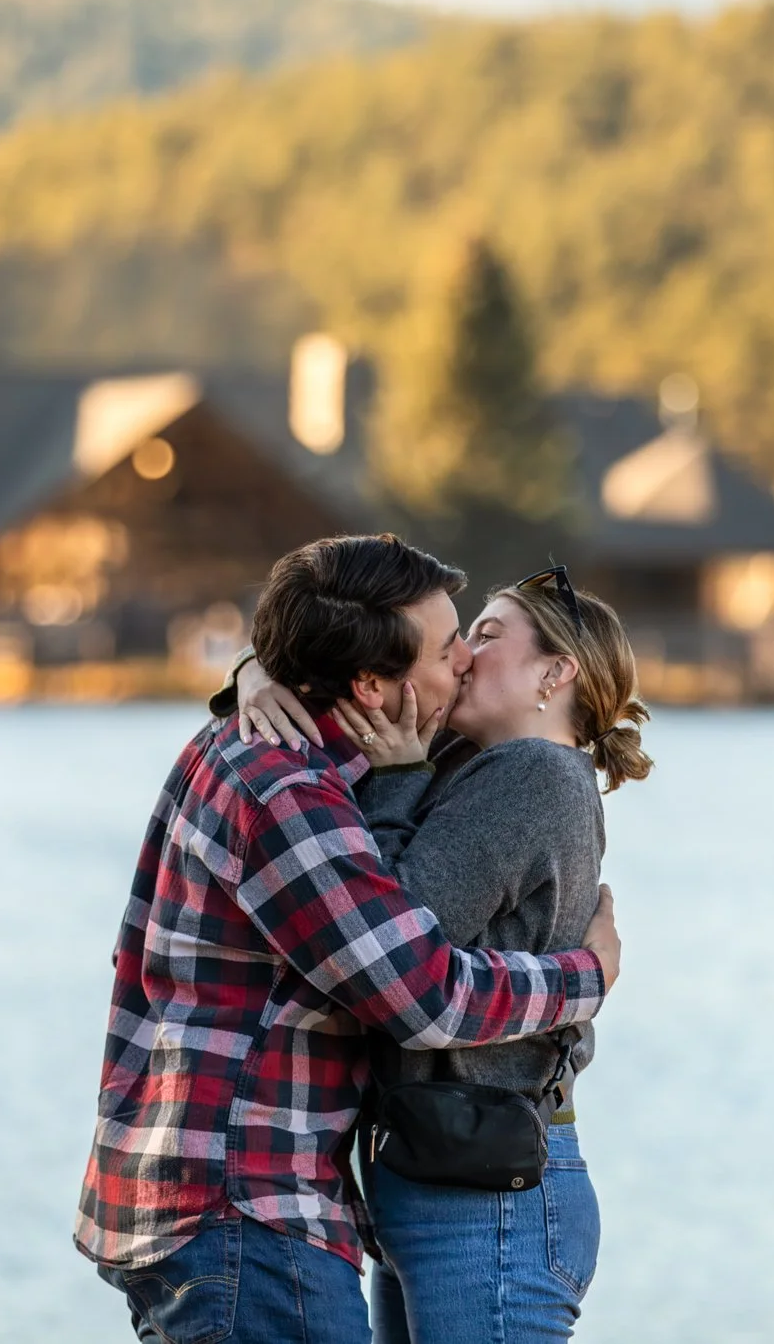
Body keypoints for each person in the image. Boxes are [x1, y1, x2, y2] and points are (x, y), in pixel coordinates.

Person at [74, 535, 623, 1344]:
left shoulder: (270, 753)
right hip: (243, 1200)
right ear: (369, 682)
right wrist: (586, 976)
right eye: (451, 646)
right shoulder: (292, 788)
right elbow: (421, 989)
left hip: (239, 1200)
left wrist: (258, 671)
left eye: (479, 637)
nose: (465, 660)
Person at [231, 564, 653, 1343]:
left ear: (554, 673)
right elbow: (346, 643)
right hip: (443, 1171)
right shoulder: (471, 759)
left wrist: (396, 779)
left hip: (486, 1194)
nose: (460, 655)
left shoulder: (531, 773)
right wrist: (258, 671)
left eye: (486, 636)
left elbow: (394, 931)